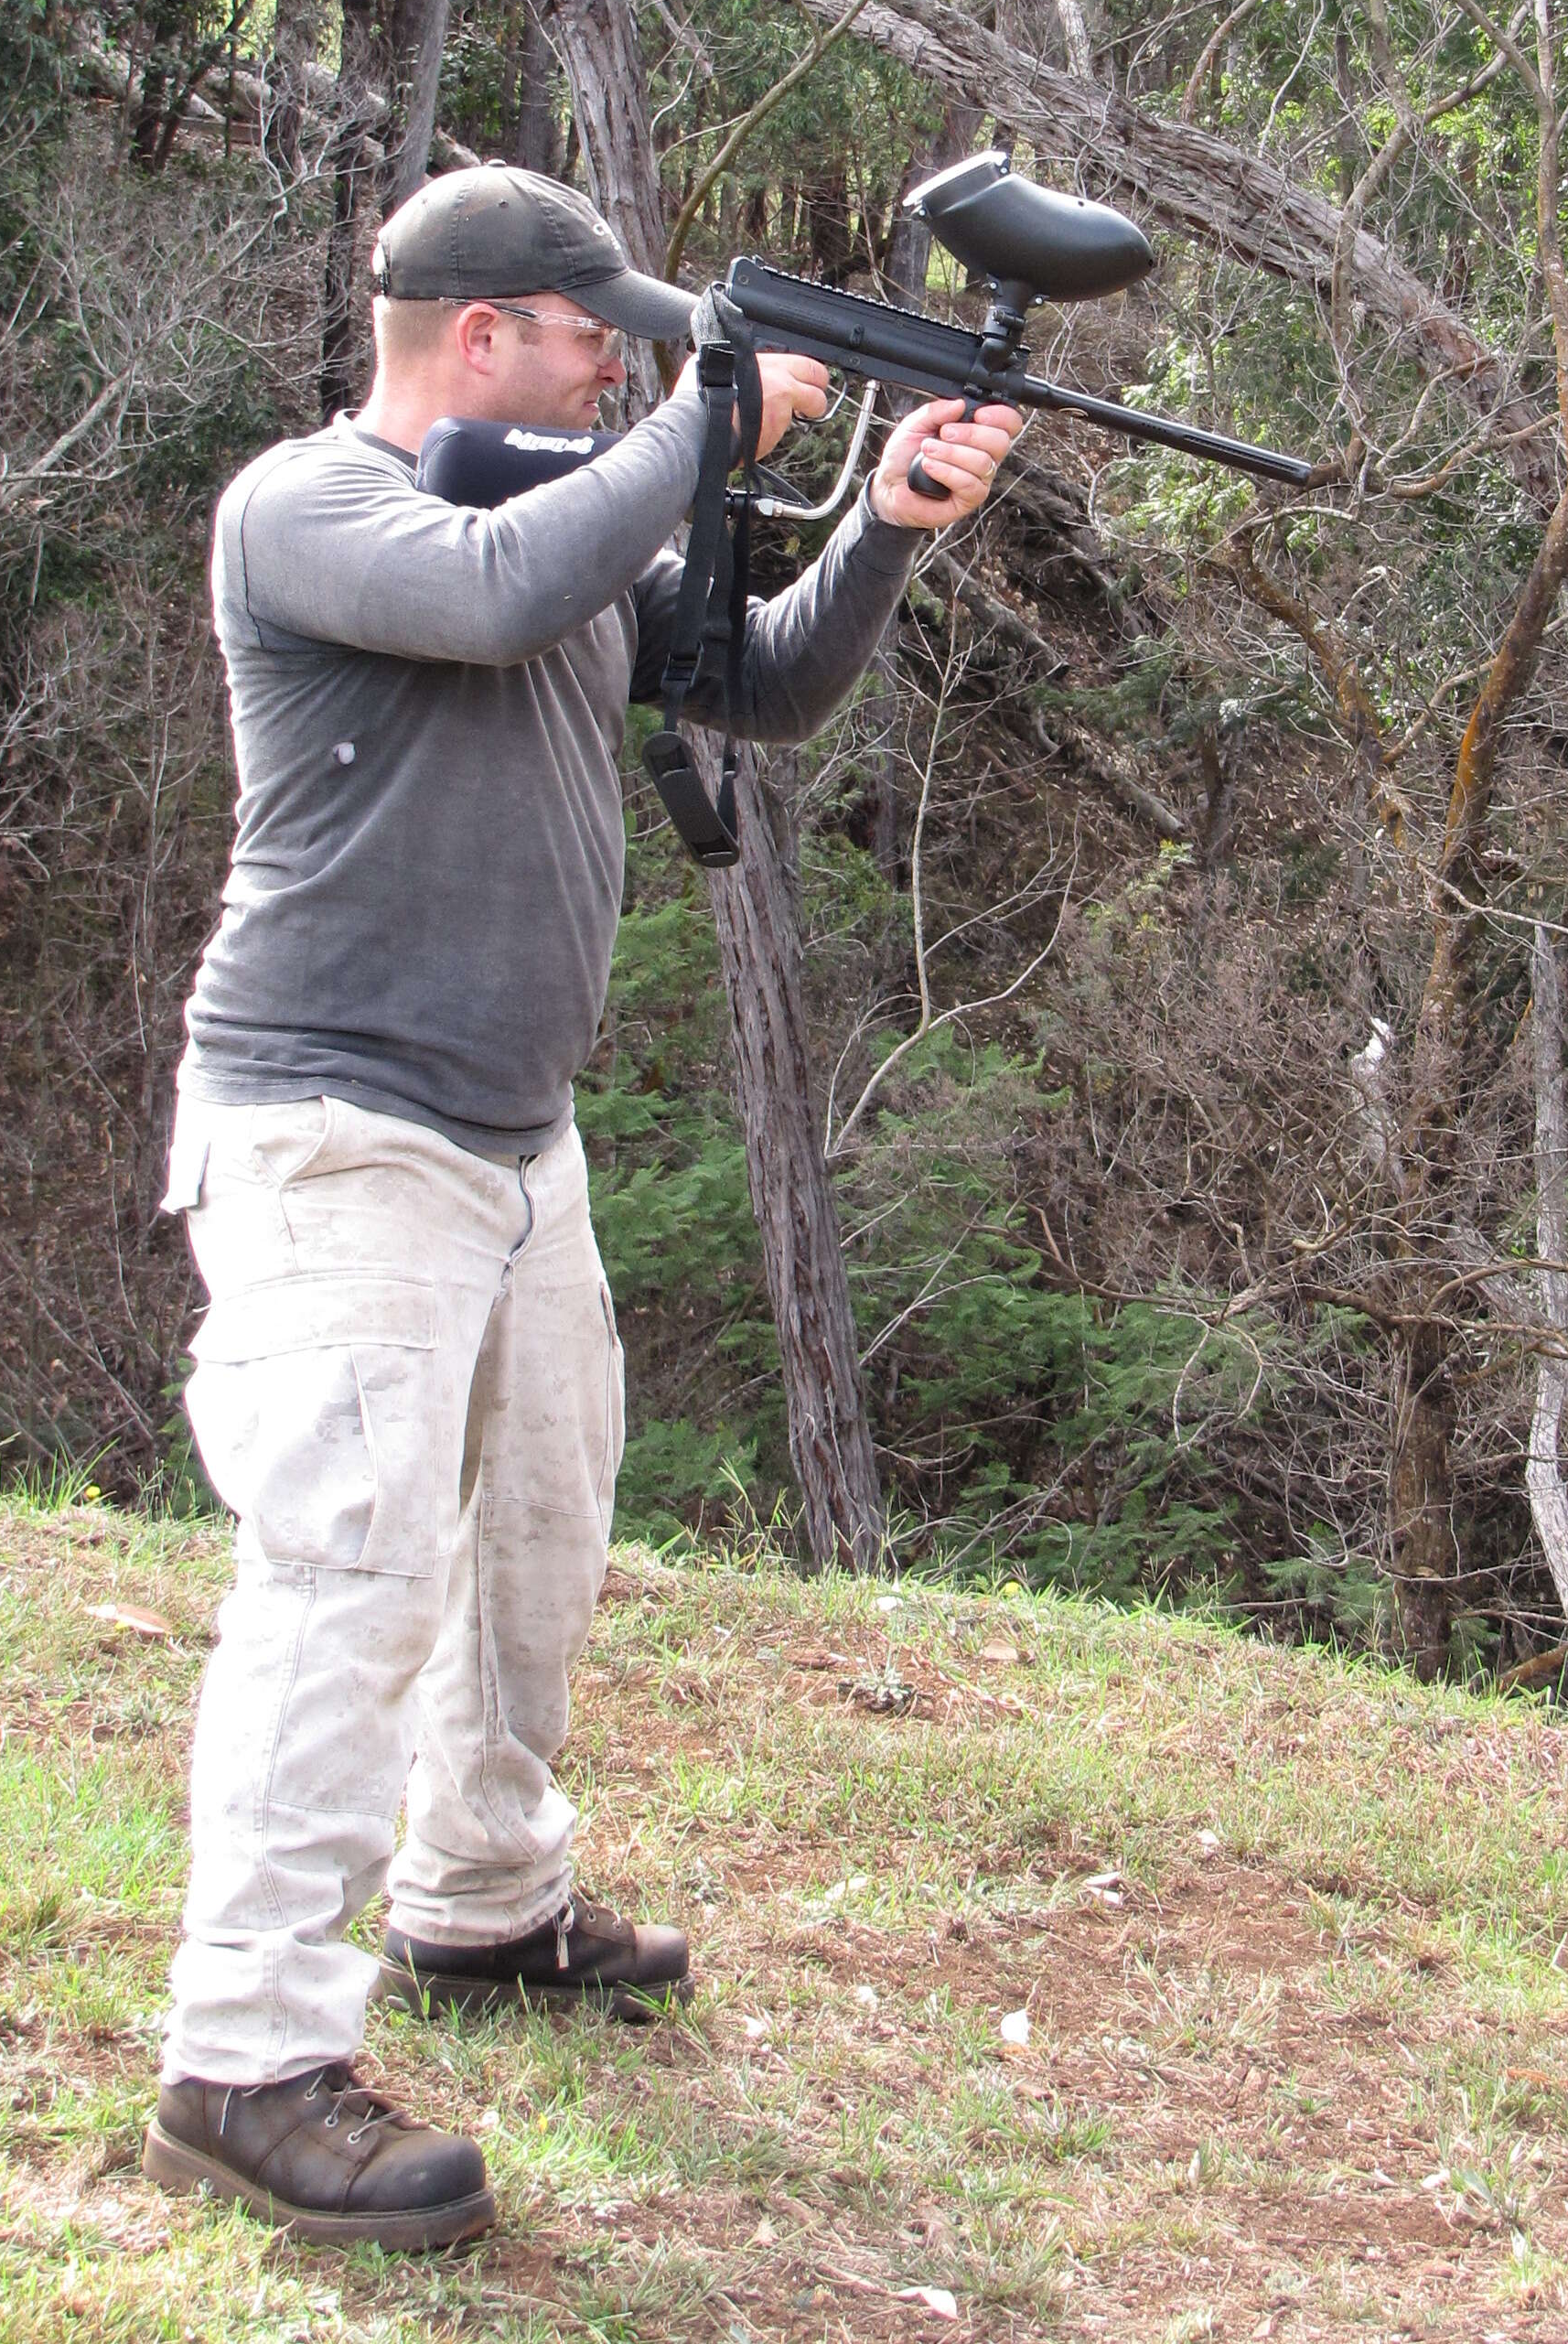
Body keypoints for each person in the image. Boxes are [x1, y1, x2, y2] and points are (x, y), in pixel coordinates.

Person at [139, 164, 1020, 2252]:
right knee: (345, 1576)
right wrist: (712, 423)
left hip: (516, 1148)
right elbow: (503, 587)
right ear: (473, 340)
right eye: (584, 339)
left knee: (537, 1532)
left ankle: (483, 1898)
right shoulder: (316, 507)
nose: (617, 367)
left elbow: (759, 686)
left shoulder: (561, 517)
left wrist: (883, 520)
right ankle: (243, 2059)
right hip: (342, 1130)